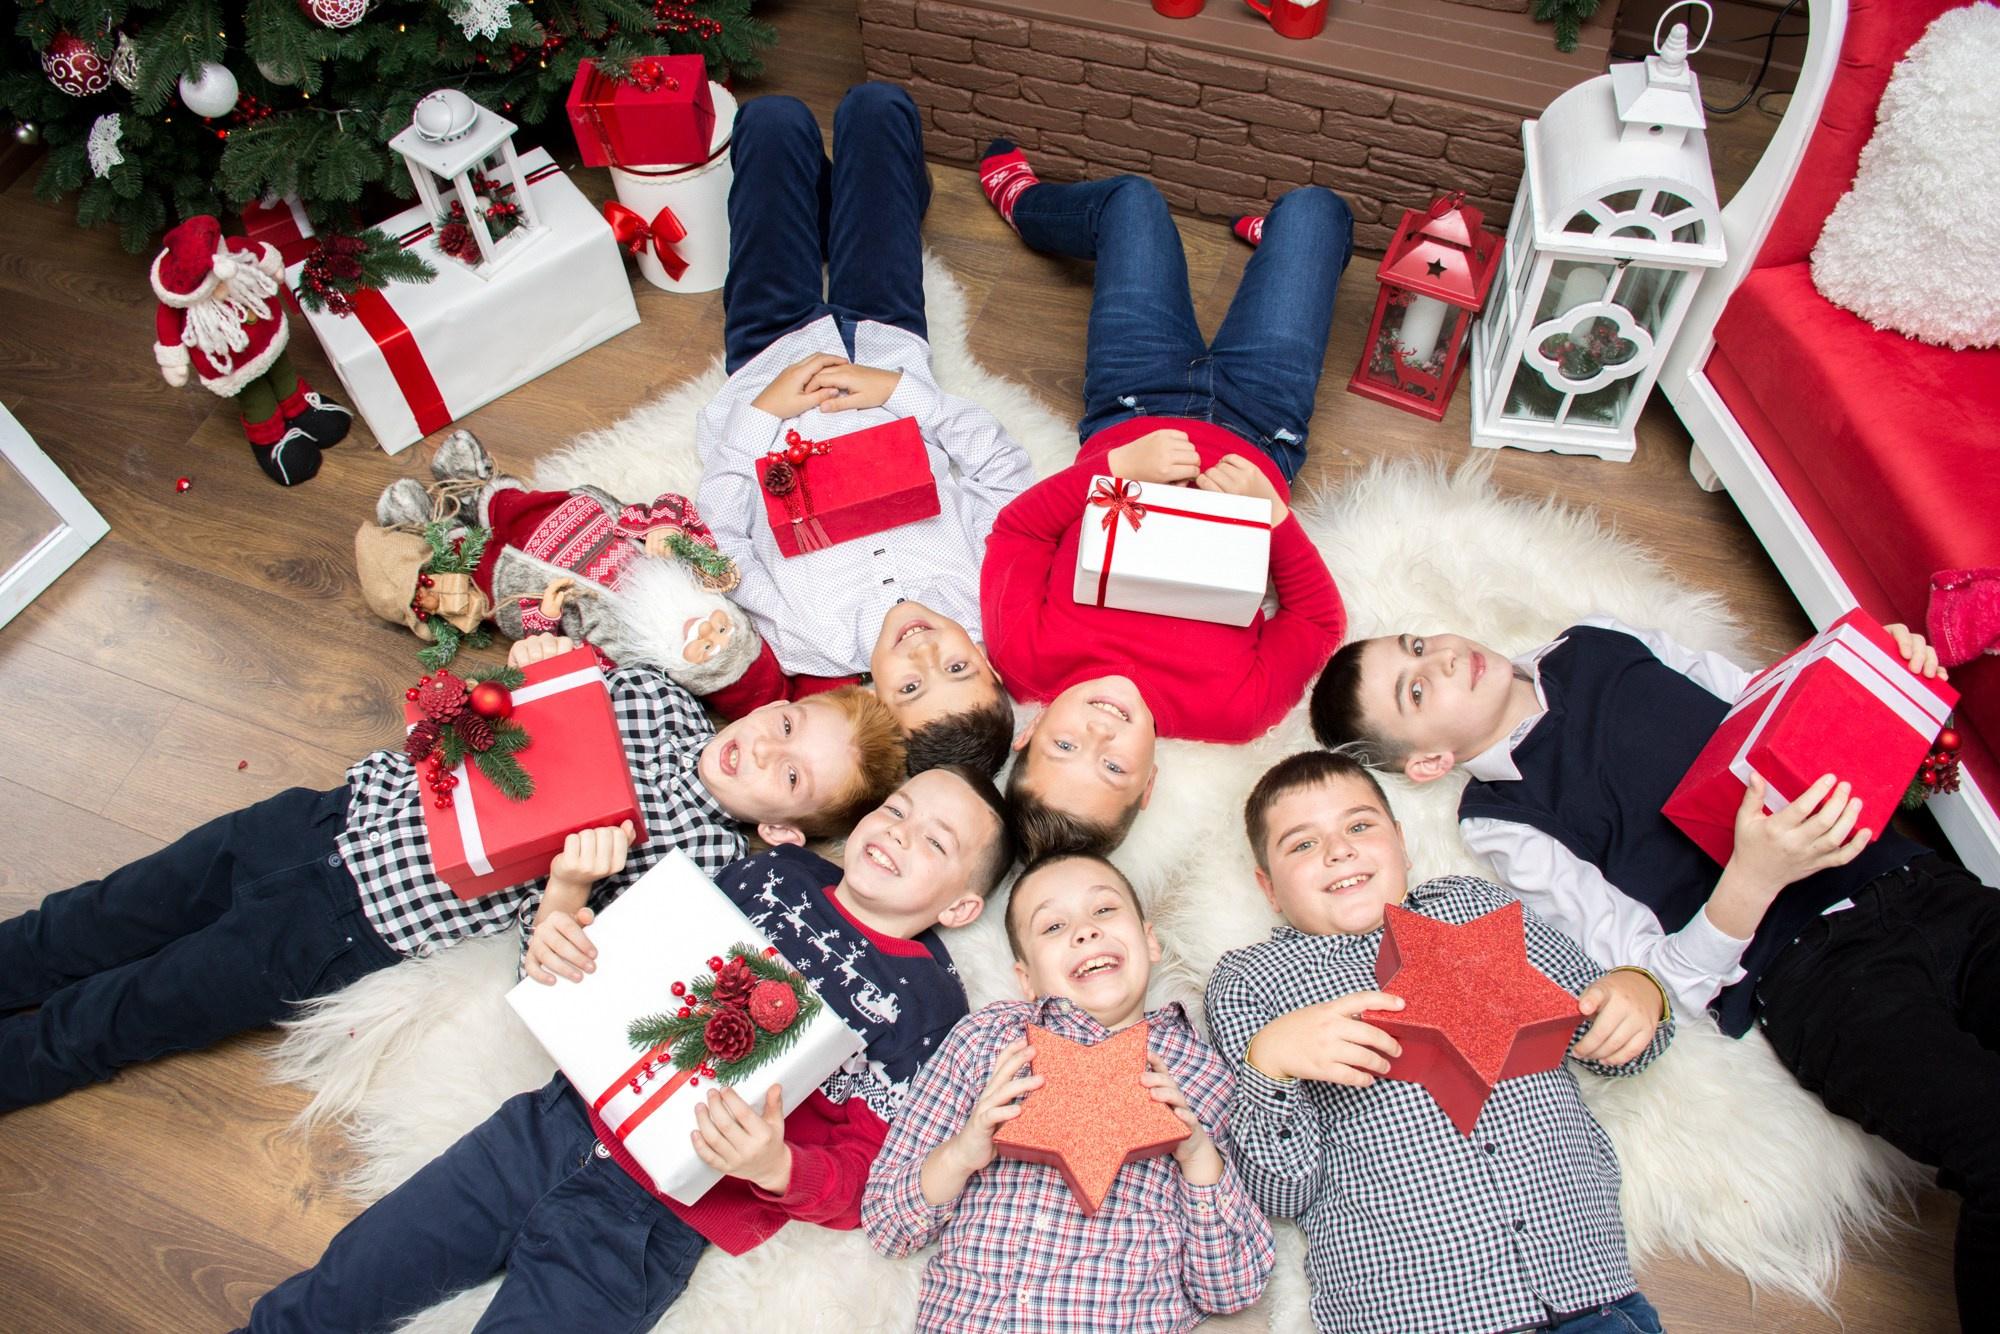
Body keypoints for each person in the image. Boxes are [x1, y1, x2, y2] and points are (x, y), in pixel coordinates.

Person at [1311, 616, 2000, 1328]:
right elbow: (1660, 982)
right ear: (1428, 762)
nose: (1445, 658)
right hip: (1819, 978)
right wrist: (1753, 876)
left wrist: (1869, 674)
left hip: (1921, 881)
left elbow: (1765, 702)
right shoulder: (1505, 823)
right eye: (1418, 690)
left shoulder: (1596, 639)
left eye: (1419, 646)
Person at [237, 764, 1016, 1333]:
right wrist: (564, 934)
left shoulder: (928, 1003)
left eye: (934, 842)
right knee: (352, 1278)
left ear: (963, 904)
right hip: (549, 1126)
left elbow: (872, 1175)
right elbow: (633, 952)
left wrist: (777, 1168)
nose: (897, 833)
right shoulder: (775, 869)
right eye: (896, 809)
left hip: (652, 1218)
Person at [0, 632, 905, 1114]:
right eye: (787, 723)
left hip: (351, 925)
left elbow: (546, 972)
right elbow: (487, 719)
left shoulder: (701, 870)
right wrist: (525, 670)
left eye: (792, 776)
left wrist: (567, 891)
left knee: (125, 1014)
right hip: (324, 815)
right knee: (95, 915)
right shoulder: (655, 692)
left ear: (785, 830)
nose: (764, 750)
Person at [1206, 750, 1672, 1334]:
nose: (1338, 850)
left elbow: (1617, 1036)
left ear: (1402, 843)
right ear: (1268, 889)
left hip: (1590, 1296)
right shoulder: (1255, 979)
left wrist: (1639, 990)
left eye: (1359, 825)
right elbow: (1282, 1194)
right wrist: (1271, 1065)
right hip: (1415, 1315)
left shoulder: (1472, 906)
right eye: (1301, 844)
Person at [972, 142, 1351, 854]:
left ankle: (1028, 207)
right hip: (1260, 421)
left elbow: (1018, 534)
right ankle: (1281, 253)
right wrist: (1273, 520)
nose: (1099, 732)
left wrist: (1116, 465)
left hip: (1132, 400)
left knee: (1135, 200)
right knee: (1317, 211)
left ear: (1028, 733)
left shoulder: (1024, 657)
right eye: (1111, 765)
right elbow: (1318, 620)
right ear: (1149, 783)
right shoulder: (1233, 713)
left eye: (1063, 749)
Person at [694, 83, 1034, 777]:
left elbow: (721, 545)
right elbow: (1001, 471)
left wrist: (763, 414)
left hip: (768, 360)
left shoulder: (805, 640)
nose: (923, 653)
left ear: (875, 701)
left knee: (771, 120)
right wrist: (902, 394)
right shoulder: (981, 591)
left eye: (911, 685)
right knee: (876, 109)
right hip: (886, 345)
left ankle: (823, 194)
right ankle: (892, 188)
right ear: (990, 668)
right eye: (957, 667)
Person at [863, 853, 1273, 1331]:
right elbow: (887, 1227)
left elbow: (1233, 1287)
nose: (1085, 931)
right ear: (1026, 980)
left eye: (1103, 911)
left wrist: (1197, 1154)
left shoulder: (1200, 1072)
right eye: (1053, 926)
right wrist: (963, 1152)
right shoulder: (986, 1042)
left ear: (1150, 940)